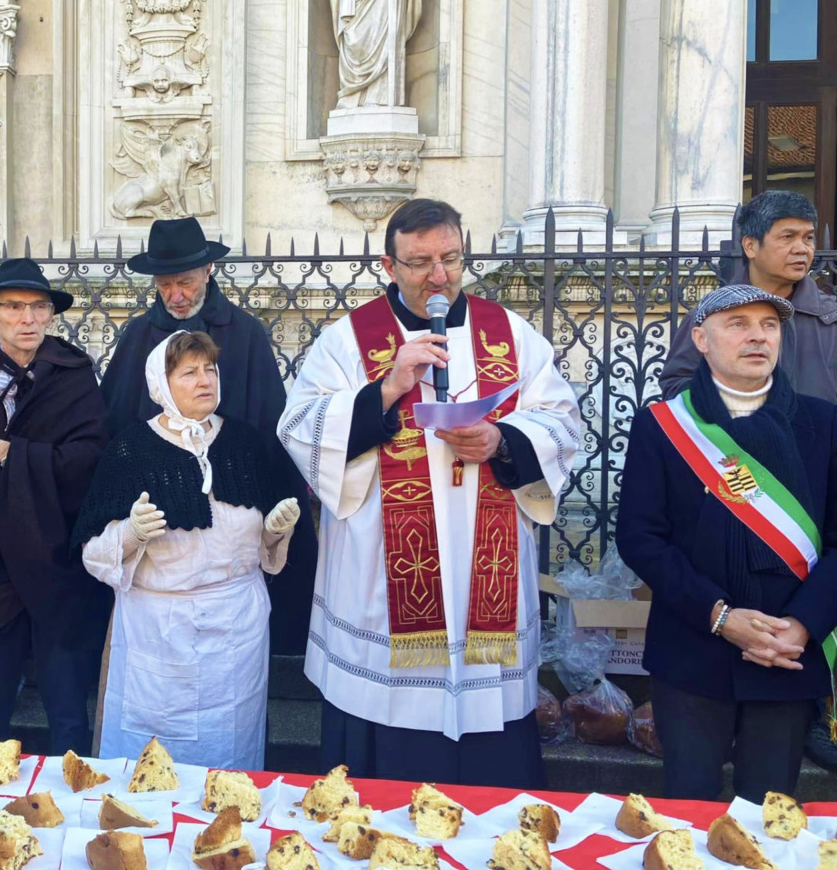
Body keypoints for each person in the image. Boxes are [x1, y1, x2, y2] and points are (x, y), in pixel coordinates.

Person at [277, 198, 581, 786]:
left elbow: (562, 422)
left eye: (451, 258)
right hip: (379, 570)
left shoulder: (510, 334)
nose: (439, 276)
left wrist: (502, 440)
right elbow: (298, 428)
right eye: (420, 263)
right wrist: (386, 390)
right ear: (389, 266)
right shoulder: (348, 340)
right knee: (386, 738)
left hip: (485, 569)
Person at [618, 285, 837, 802]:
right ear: (702, 339)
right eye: (738, 324)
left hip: (785, 655)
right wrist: (720, 616)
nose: (757, 336)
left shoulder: (824, 422)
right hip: (693, 650)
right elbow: (641, 538)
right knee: (688, 811)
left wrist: (802, 625)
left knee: (768, 819)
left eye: (769, 325)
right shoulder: (662, 426)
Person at [74, 331, 300, 768]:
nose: (204, 380)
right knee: (153, 756)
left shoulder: (244, 444)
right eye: (189, 372)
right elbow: (93, 554)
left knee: (231, 751)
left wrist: (275, 534)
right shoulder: (131, 450)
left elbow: (260, 551)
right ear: (162, 384)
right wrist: (131, 534)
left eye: (210, 370)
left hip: (237, 627)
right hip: (160, 630)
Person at [99, 216, 317, 656]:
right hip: (159, 522)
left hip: (231, 512)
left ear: (208, 271)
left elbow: (269, 427)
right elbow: (116, 424)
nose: (176, 295)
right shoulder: (138, 335)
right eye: (165, 286)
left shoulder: (245, 333)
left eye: (185, 282)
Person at [0, 258, 110, 755]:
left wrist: (9, 452)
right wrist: (37, 467)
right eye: (14, 307)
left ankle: (73, 790)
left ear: (51, 315)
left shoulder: (74, 374)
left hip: (56, 556)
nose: (28, 318)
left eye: (38, 307)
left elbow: (87, 461)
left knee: (67, 710)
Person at [660, 190, 837, 402]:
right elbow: (677, 385)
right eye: (787, 237)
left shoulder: (831, 317)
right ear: (750, 246)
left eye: (808, 238)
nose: (802, 249)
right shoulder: (709, 315)